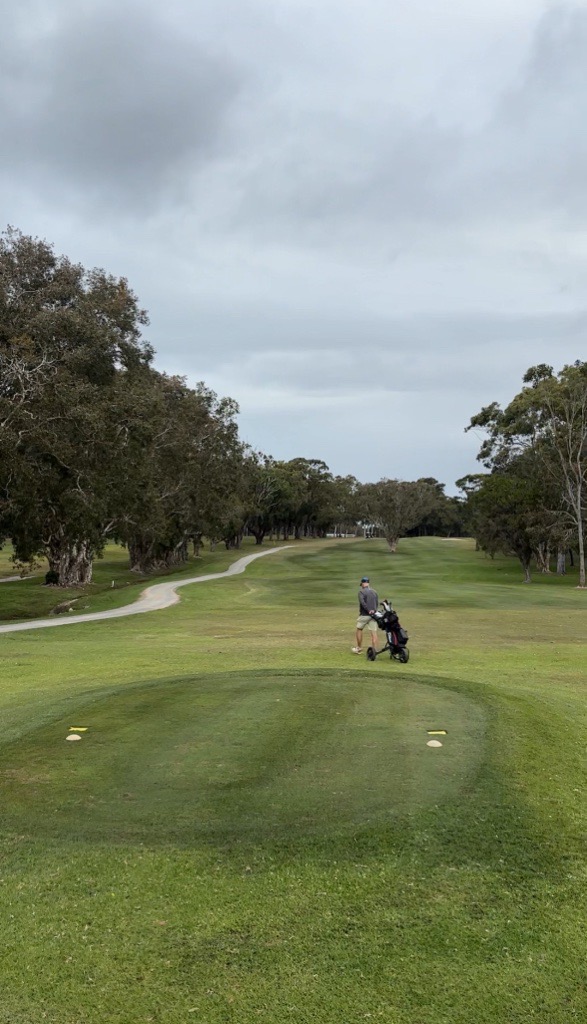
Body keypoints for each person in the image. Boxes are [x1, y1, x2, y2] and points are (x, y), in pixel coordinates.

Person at [352, 576, 379, 654]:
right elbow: (376, 603)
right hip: (373, 615)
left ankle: (359, 648)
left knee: (359, 629)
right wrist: (373, 611)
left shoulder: (361, 592)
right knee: (374, 633)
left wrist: (368, 610)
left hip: (364, 615)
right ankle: (375, 651)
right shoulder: (374, 592)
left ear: (363, 583)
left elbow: (363, 603)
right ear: (368, 583)